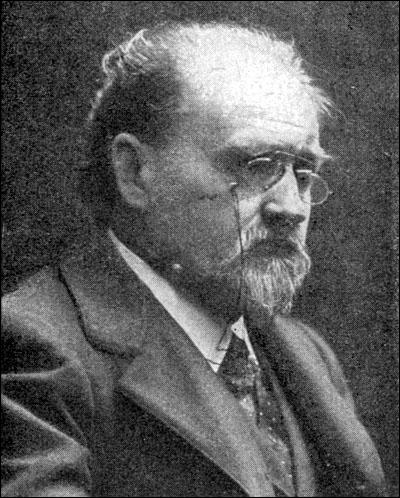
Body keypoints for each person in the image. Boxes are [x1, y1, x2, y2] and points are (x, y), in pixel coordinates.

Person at [2, 22, 387, 497]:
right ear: (134, 172)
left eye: (303, 172)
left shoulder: (306, 353)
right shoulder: (35, 347)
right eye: (255, 165)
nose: (291, 206)